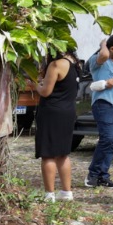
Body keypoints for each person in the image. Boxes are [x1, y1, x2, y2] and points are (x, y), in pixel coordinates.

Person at [84, 33, 113, 189]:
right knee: (107, 138)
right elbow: (104, 53)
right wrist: (103, 43)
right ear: (112, 48)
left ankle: (103, 176)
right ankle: (92, 174)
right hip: (103, 103)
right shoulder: (98, 60)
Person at [35, 48, 79, 202]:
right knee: (62, 153)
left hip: (52, 112)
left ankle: (49, 194)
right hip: (68, 111)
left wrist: (35, 85)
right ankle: (67, 192)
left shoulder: (55, 65)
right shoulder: (74, 63)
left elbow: (46, 91)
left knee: (48, 153)